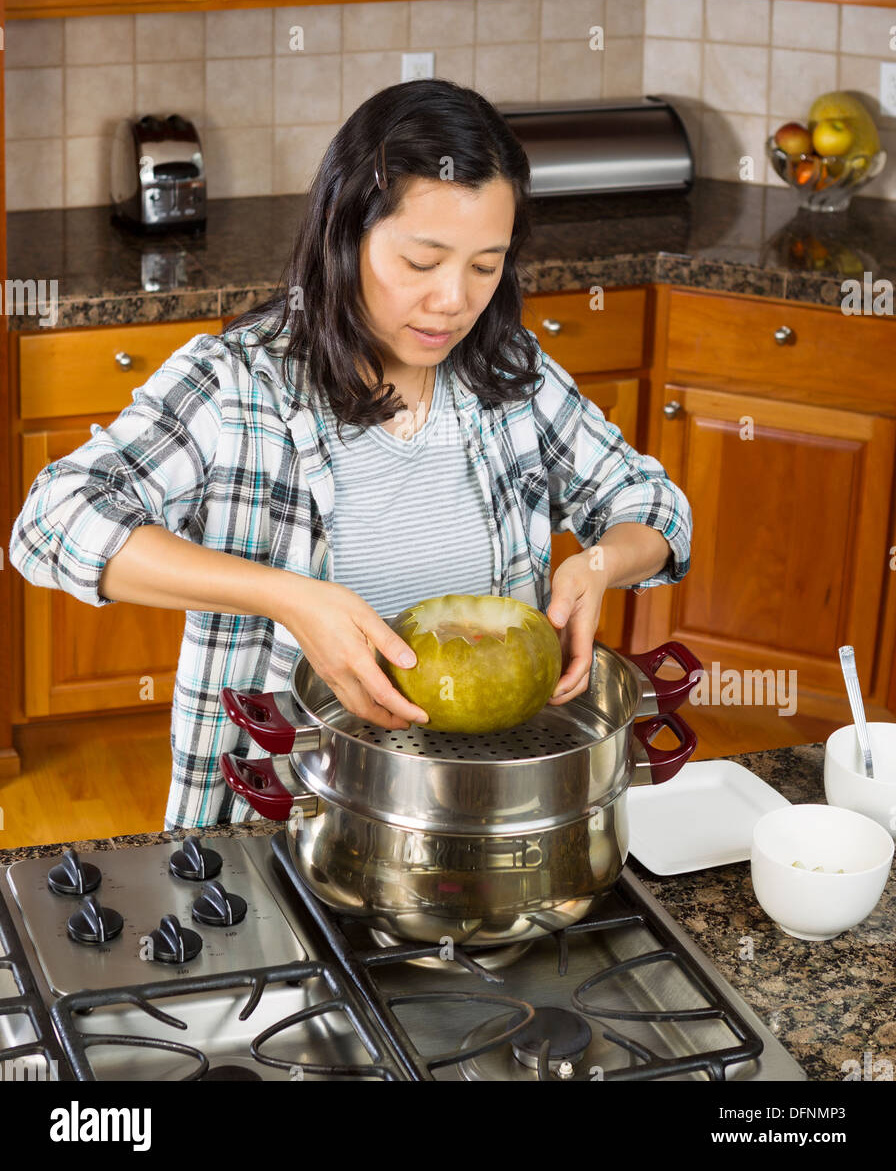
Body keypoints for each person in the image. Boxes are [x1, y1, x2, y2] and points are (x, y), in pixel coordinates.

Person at [8, 78, 692, 830]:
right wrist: (287, 597)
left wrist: (603, 563)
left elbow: (650, 503)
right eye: (422, 262)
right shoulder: (242, 384)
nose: (454, 302)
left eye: (485, 265)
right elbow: (52, 522)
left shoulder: (507, 375)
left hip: (488, 815)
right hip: (288, 814)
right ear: (345, 236)